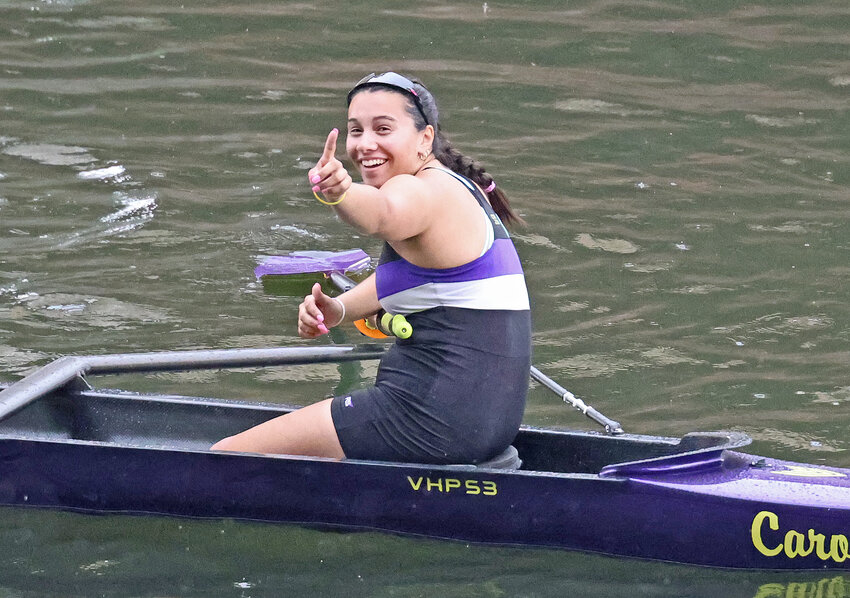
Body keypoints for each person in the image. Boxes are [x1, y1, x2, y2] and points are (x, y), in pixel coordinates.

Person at [213, 72, 531, 464]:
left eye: (383, 128)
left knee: (226, 456)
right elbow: (407, 278)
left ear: (425, 138)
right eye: (356, 130)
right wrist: (340, 309)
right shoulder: (455, 187)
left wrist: (340, 192)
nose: (365, 144)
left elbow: (382, 214)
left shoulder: (420, 191)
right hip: (484, 425)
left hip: (429, 418)